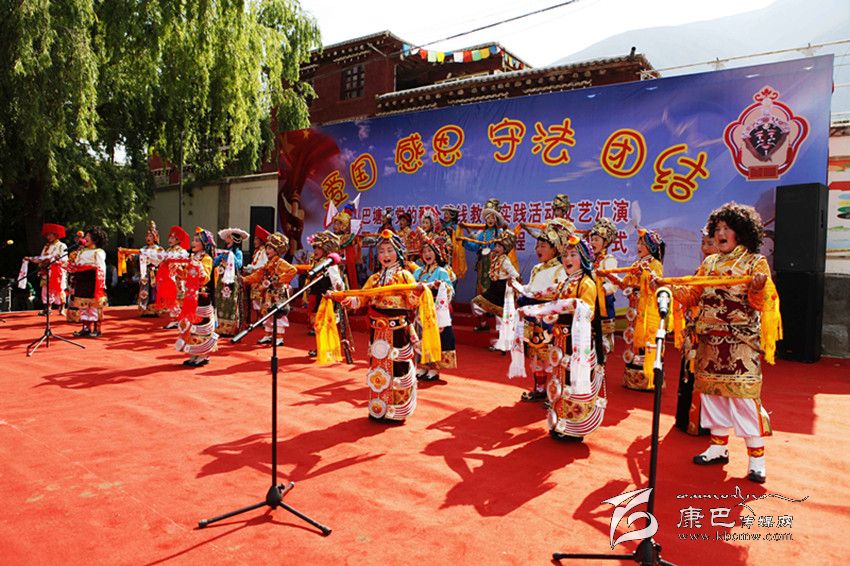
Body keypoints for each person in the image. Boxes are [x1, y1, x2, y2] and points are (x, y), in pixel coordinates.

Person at [668, 203, 778, 483]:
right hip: (710, 342)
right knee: (712, 396)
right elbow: (692, 295)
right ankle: (718, 447)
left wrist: (757, 287)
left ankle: (757, 459)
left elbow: (762, 303)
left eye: (727, 228)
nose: (720, 233)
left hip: (740, 342)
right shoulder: (709, 263)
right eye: (717, 228)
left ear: (741, 232)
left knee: (744, 400)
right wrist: (667, 286)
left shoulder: (755, 262)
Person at [517, 234, 605, 441]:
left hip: (576, 342)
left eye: (573, 255)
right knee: (560, 381)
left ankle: (573, 429)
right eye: (565, 255)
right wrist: (523, 293)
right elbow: (543, 295)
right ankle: (560, 424)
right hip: (561, 340)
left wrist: (564, 307)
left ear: (583, 258)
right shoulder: (566, 282)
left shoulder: (586, 283)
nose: (567, 259)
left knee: (572, 384)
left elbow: (588, 311)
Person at [337, 230, 424, 422]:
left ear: (398, 253)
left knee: (397, 368)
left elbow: (412, 303)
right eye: (382, 251)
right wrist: (347, 300)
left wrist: (417, 292)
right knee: (378, 370)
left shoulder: (405, 276)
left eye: (390, 250)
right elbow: (362, 298)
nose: (385, 255)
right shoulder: (374, 279)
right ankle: (379, 408)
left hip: (397, 330)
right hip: (377, 331)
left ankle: (396, 411)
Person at [514, 219, 570, 401]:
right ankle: (539, 388)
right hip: (533, 317)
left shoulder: (561, 269)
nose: (538, 249)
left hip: (549, 318)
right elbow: (530, 288)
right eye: (537, 245)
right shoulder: (536, 268)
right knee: (535, 354)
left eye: (543, 246)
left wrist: (540, 295)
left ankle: (554, 393)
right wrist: (518, 287)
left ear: (555, 249)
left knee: (552, 356)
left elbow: (560, 291)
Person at [604, 228, 664, 391]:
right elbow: (625, 284)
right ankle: (632, 379)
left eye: (642, 243)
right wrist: (610, 276)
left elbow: (655, 285)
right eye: (638, 243)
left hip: (647, 308)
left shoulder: (655, 264)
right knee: (633, 340)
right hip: (634, 306)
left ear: (651, 247)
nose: (639, 246)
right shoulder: (636, 264)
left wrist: (644, 273)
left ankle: (647, 380)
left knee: (645, 339)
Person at [674, 228, 718, 436]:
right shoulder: (699, 271)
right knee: (688, 375)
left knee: (705, 377)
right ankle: (686, 421)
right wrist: (672, 289)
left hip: (711, 335)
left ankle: (704, 425)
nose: (705, 248)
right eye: (703, 243)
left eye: (710, 243)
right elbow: (691, 297)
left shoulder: (722, 274)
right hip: (694, 333)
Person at [241, 232, 298, 346]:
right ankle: (268, 335)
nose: (267, 250)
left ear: (277, 250)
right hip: (269, 293)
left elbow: (293, 270)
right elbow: (258, 274)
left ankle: (279, 337)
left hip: (279, 293)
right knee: (267, 313)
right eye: (267, 248)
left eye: (270, 248)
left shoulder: (280, 262)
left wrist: (279, 279)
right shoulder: (268, 264)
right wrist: (245, 279)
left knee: (279, 314)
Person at [413, 236, 457, 380]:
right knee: (420, 337)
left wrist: (441, 286)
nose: (427, 254)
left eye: (430, 251)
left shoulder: (441, 271)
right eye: (424, 251)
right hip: (420, 309)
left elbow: (451, 290)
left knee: (434, 338)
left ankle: (435, 368)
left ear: (436, 253)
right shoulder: (417, 272)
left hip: (434, 310)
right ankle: (423, 366)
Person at [175, 228, 218, 366]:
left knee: (201, 325)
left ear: (204, 243)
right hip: (191, 296)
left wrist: (197, 265)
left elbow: (205, 278)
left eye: (197, 240)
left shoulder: (207, 259)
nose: (193, 243)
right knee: (191, 324)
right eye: (193, 240)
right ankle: (194, 353)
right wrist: (177, 269)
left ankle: (203, 355)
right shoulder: (194, 258)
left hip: (202, 296)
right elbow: (186, 276)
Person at [462, 199, 507, 327]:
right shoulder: (482, 233)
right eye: (488, 217)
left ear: (496, 219)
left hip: (496, 264)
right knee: (482, 287)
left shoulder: (500, 233)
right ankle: (483, 318)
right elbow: (475, 246)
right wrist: (464, 242)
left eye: (493, 217)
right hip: (483, 263)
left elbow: (505, 248)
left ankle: (496, 316)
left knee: (494, 288)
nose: (490, 220)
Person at [470, 231, 519, 348]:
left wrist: (512, 283)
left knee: (501, 320)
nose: (496, 248)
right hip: (494, 288)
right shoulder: (496, 258)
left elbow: (515, 274)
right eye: (496, 245)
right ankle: (484, 324)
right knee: (476, 303)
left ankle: (502, 344)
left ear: (505, 250)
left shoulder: (505, 261)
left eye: (500, 247)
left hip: (501, 290)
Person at [305, 230, 345, 356]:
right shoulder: (317, 263)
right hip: (317, 298)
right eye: (314, 248)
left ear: (326, 249)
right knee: (318, 325)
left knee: (326, 325)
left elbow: (338, 283)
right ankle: (321, 348)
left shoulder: (330, 265)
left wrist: (337, 291)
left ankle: (327, 350)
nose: (315, 251)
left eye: (319, 248)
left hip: (327, 299)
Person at [68, 226, 108, 338]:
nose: (85, 238)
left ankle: (96, 329)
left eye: (88, 236)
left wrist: (102, 283)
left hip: (93, 280)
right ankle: (85, 328)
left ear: (95, 239)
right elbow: (76, 263)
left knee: (94, 305)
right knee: (83, 305)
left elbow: (101, 267)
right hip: (82, 279)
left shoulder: (98, 252)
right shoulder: (81, 251)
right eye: (85, 236)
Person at [588, 217, 619, 354]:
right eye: (592, 239)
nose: (592, 243)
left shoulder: (609, 260)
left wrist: (600, 290)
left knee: (602, 345)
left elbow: (614, 283)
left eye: (596, 240)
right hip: (589, 304)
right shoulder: (588, 261)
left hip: (603, 306)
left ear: (605, 243)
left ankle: (601, 366)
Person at [214, 227, 248, 336]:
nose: (226, 239)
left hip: (232, 280)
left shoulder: (238, 252)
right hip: (221, 279)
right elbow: (215, 262)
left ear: (234, 240)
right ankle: (221, 327)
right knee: (220, 301)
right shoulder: (224, 252)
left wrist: (231, 256)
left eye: (228, 237)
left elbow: (239, 264)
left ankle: (231, 328)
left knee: (231, 302)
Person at [31, 223, 68, 315]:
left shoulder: (62, 246)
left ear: (56, 235)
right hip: (46, 270)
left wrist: (54, 259)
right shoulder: (46, 246)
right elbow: (41, 258)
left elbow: (65, 259)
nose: (48, 237)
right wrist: (35, 261)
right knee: (45, 289)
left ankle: (62, 308)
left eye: (50, 234)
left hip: (57, 270)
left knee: (59, 289)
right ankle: (47, 308)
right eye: (47, 235)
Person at [161, 226, 191, 329]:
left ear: (178, 240)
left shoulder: (181, 251)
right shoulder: (168, 250)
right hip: (169, 277)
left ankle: (181, 319)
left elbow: (183, 263)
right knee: (170, 299)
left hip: (178, 278)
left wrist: (175, 265)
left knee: (179, 298)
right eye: (170, 237)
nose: (170, 240)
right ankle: (175, 319)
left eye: (173, 238)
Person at [243, 225, 270, 324]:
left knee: (260, 299)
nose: (254, 241)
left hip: (260, 279)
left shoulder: (264, 251)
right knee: (255, 300)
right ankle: (260, 319)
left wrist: (251, 268)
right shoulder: (257, 251)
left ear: (261, 241)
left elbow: (263, 265)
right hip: (255, 278)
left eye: (256, 239)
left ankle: (262, 319)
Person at [137, 221, 164, 317]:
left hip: (155, 272)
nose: (148, 238)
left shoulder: (159, 249)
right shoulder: (143, 248)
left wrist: (151, 258)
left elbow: (160, 261)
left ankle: (155, 309)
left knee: (154, 290)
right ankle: (144, 309)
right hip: (145, 272)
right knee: (144, 289)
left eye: (150, 236)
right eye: (147, 236)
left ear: (155, 237)